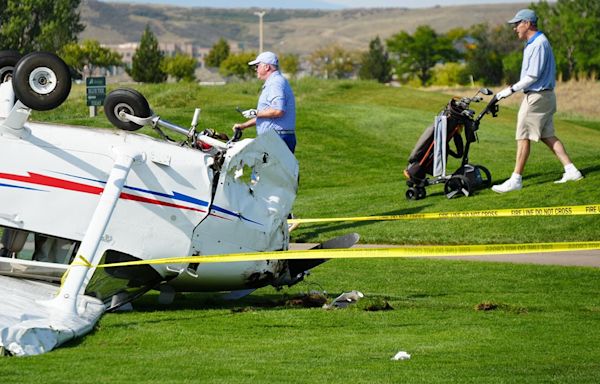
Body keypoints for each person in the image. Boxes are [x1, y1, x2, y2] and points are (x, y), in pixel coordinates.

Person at [492, 9, 583, 193]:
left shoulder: (538, 44)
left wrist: (509, 90)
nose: (515, 28)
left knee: (523, 135)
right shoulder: (533, 43)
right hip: (544, 96)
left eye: (517, 24)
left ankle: (516, 179)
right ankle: (571, 170)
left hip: (538, 96)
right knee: (547, 135)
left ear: (527, 23)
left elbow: (532, 76)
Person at [233, 51, 297, 153]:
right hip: (277, 137)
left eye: (257, 66)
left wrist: (255, 112)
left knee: (262, 169)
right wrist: (244, 125)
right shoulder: (275, 81)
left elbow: (278, 111)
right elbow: (267, 114)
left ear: (267, 67)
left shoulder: (275, 83)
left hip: (276, 138)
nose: (256, 69)